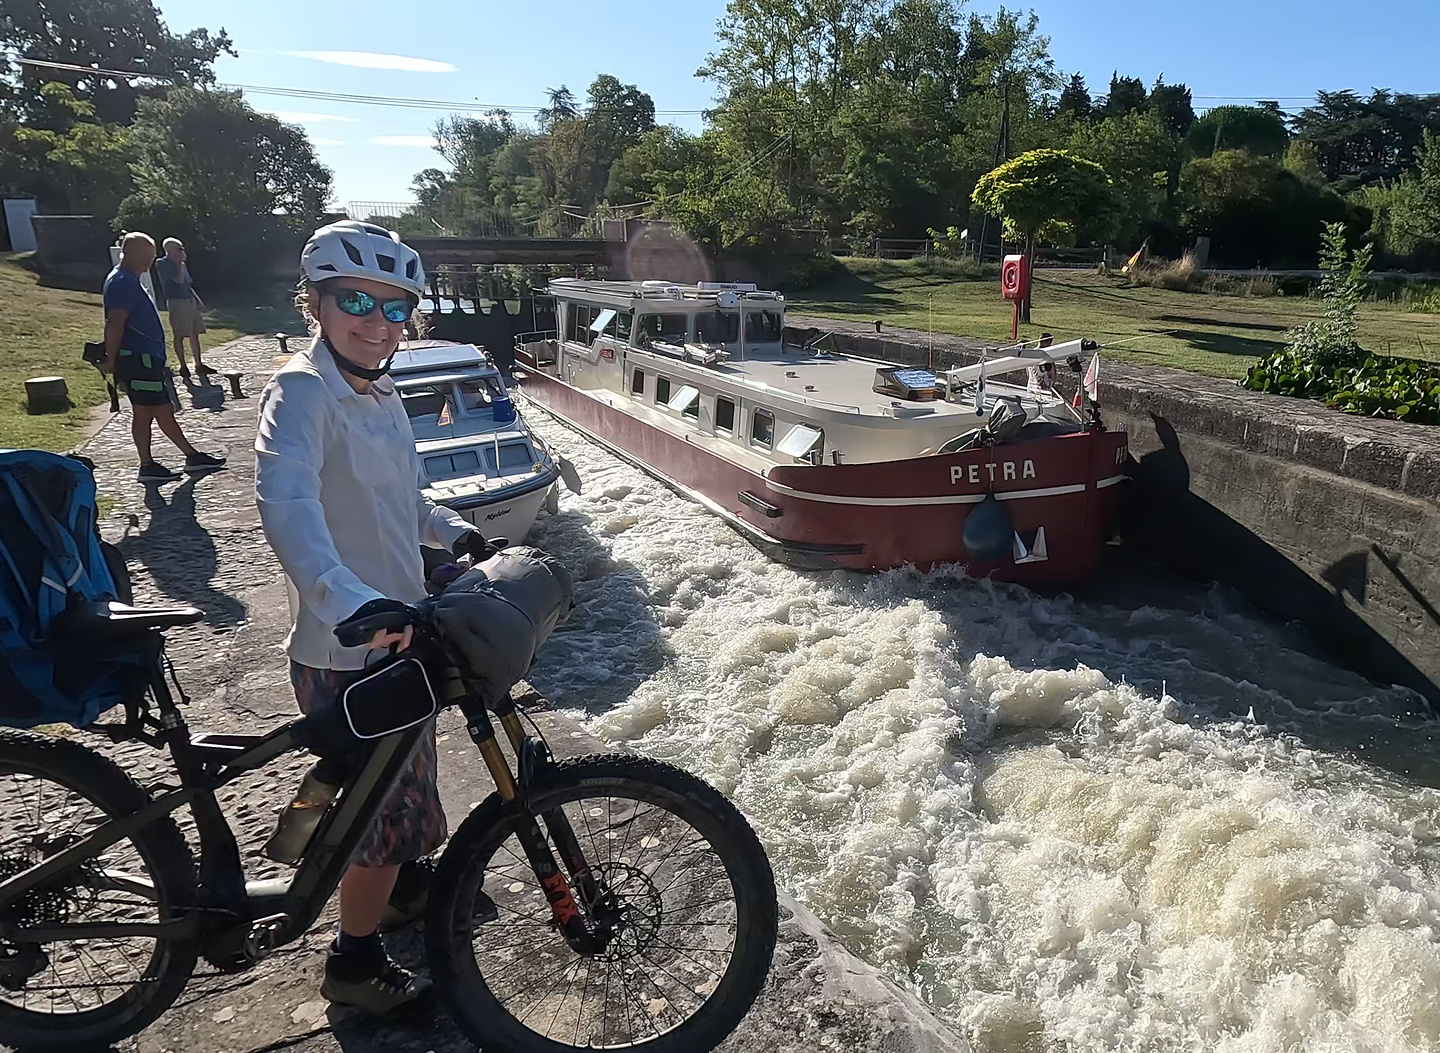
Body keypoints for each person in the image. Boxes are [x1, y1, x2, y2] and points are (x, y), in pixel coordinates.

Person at [254, 220, 493, 1016]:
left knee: (402, 781)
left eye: (395, 308)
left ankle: (398, 892)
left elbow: (404, 500)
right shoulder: (301, 390)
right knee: (380, 813)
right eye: (355, 301)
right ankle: (352, 962)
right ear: (316, 302)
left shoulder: (383, 390)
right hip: (347, 645)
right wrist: (350, 603)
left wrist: (454, 533)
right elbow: (286, 506)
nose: (377, 322)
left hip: (402, 630)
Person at [102, 232, 227, 482]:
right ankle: (148, 465)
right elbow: (115, 322)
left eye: (152, 255)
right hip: (139, 359)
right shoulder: (122, 281)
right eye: (146, 255)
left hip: (146, 357)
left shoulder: (128, 279)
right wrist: (110, 358)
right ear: (131, 252)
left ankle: (191, 457)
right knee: (145, 411)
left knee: (162, 408)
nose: (150, 260)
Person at [155, 238, 211, 381]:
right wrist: (179, 263)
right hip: (176, 301)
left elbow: (187, 284)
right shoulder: (163, 263)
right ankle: (183, 365)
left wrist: (197, 300)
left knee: (194, 333)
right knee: (179, 334)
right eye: (179, 249)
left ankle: (198, 364)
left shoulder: (182, 265)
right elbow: (178, 280)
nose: (182, 252)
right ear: (170, 249)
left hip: (189, 300)